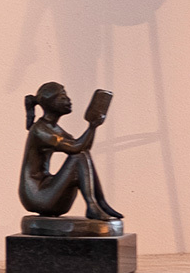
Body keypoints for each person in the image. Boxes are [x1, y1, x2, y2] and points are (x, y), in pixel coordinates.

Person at [18, 83, 122, 225]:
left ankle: (100, 202)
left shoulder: (53, 128)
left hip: (49, 192)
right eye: (62, 97)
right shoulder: (39, 130)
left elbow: (84, 147)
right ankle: (92, 204)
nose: (68, 100)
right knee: (78, 156)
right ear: (50, 103)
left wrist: (93, 126)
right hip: (37, 196)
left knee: (82, 155)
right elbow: (75, 148)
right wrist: (92, 126)